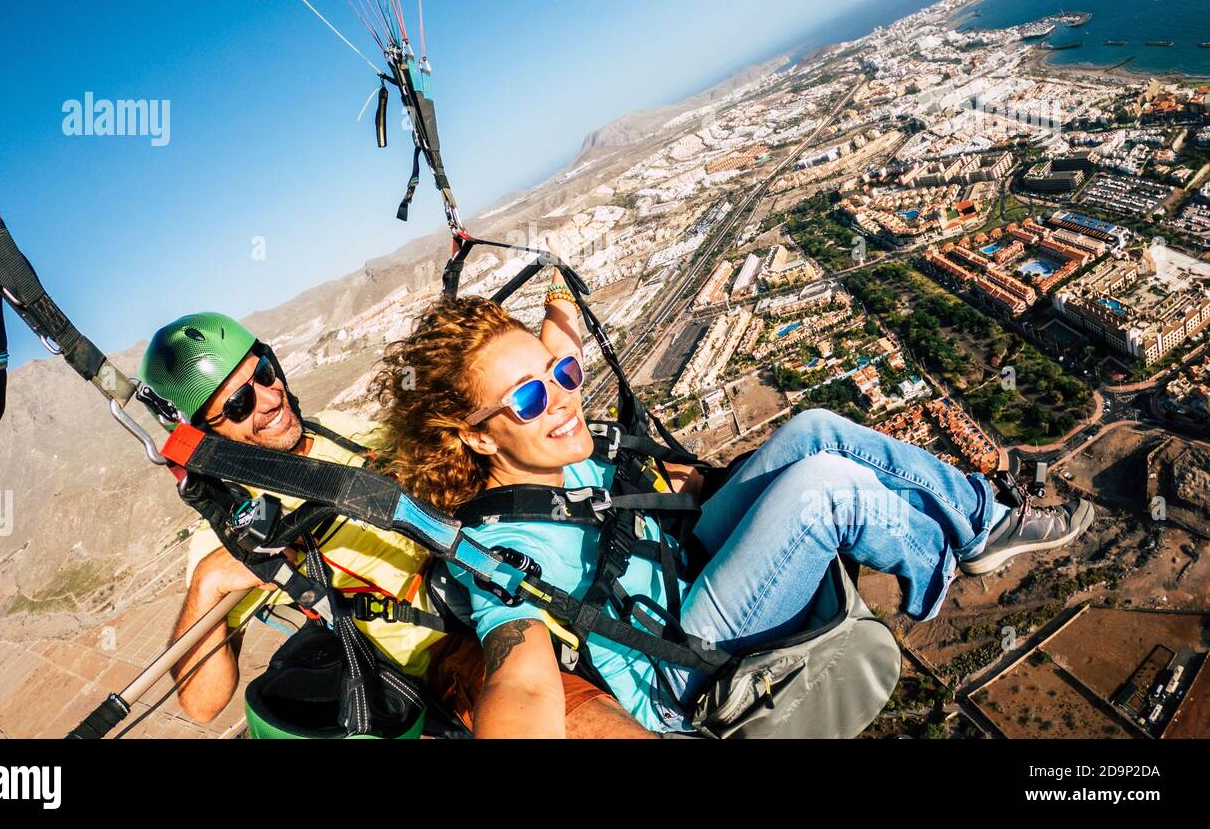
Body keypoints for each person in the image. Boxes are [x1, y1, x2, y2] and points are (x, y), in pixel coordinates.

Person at [371, 293, 1094, 737]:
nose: (560, 398)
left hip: (685, 566)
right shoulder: (499, 545)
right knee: (822, 488)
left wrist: (554, 292)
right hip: (684, 665)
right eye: (528, 398)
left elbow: (560, 337)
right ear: (474, 434)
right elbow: (521, 680)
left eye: (561, 378)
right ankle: (938, 568)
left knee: (812, 428)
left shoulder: (550, 444)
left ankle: (982, 522)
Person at [141, 311, 651, 737]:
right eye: (238, 403)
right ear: (205, 434)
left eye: (265, 373)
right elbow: (203, 705)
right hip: (449, 644)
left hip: (498, 556)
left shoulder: (340, 431)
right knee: (582, 717)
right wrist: (210, 583)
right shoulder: (235, 530)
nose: (270, 399)